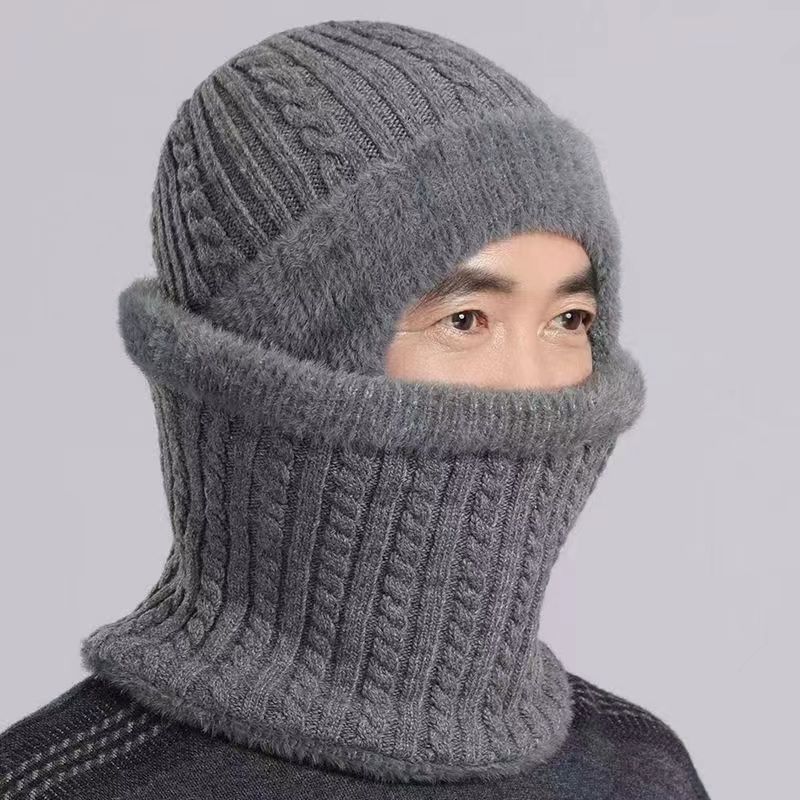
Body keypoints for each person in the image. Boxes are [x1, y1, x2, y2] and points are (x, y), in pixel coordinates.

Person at [0, 18, 711, 799]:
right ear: (258, 374)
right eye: (465, 320)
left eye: (569, 320)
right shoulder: (60, 786)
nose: (535, 384)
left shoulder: (639, 769)